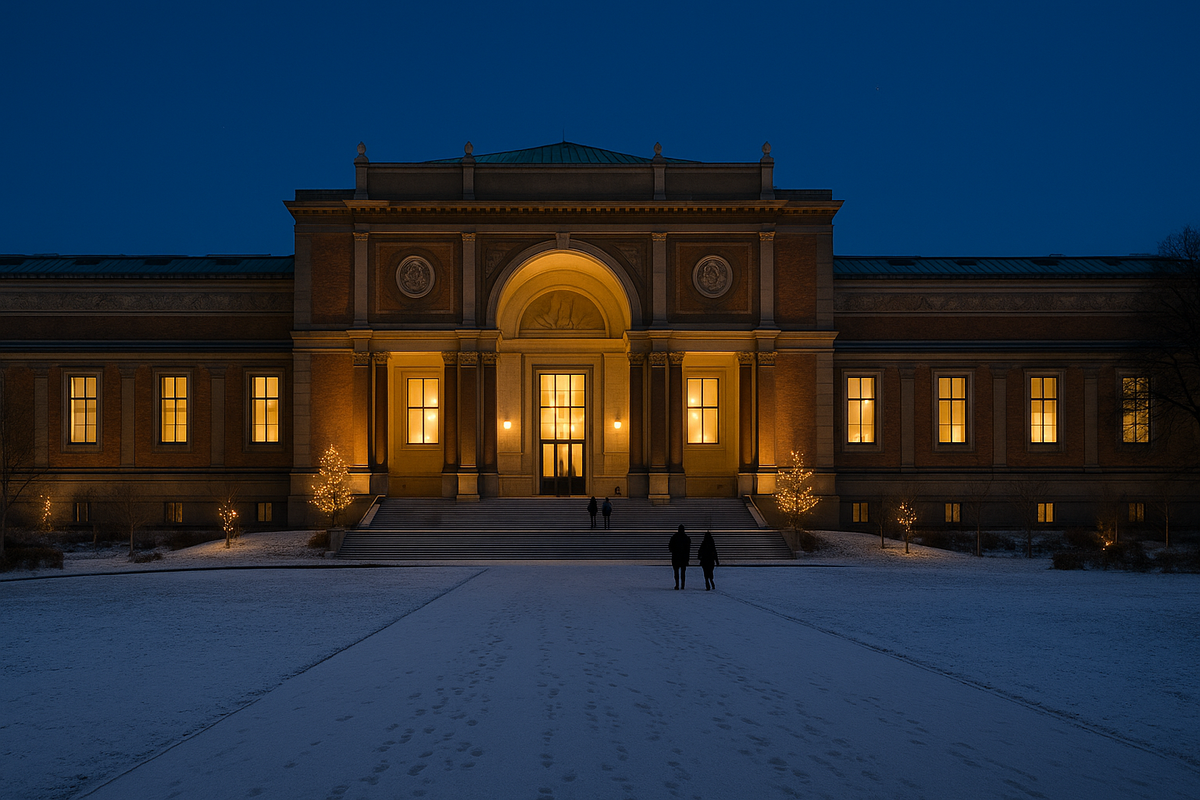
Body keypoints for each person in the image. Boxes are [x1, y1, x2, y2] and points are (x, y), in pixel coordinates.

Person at [668, 524, 691, 590]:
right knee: (683, 572)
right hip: (683, 558)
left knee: (676, 572)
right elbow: (688, 549)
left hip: (676, 557)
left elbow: (670, 547)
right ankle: (682, 585)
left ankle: (677, 585)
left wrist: (674, 551)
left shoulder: (674, 537)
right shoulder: (686, 538)